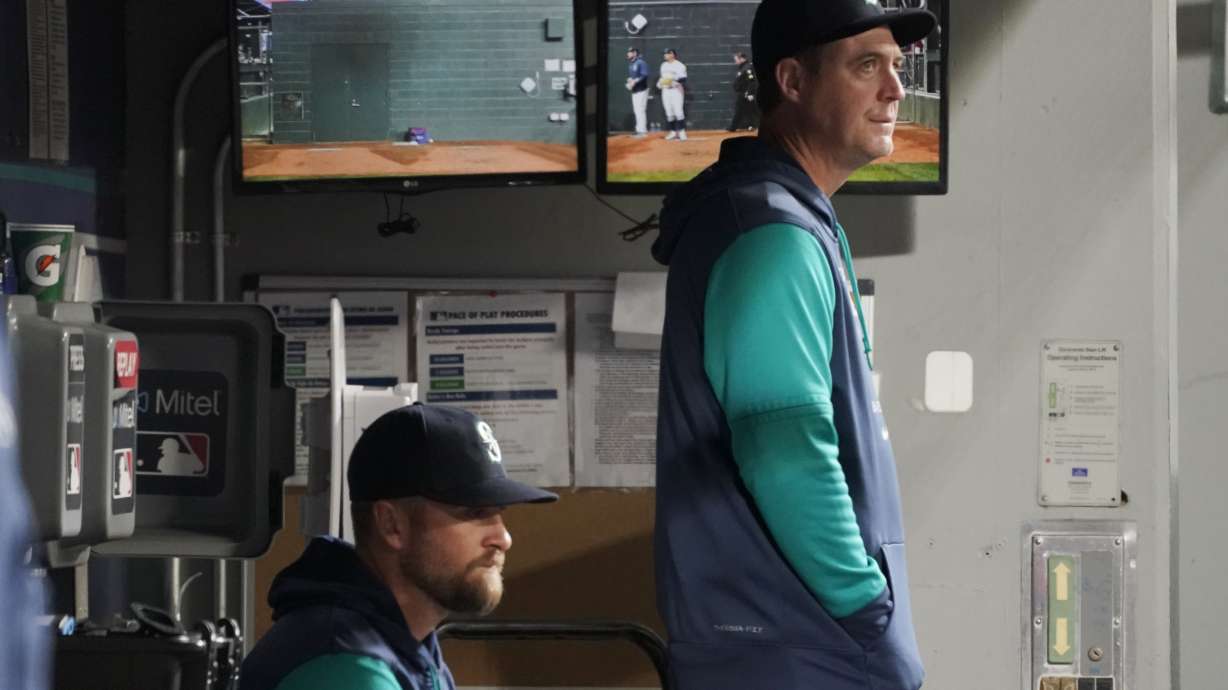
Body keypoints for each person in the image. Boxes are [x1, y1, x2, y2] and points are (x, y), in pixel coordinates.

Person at [651, 1, 936, 688]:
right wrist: (865, 612)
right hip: (798, 652)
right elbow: (785, 452)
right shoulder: (770, 234)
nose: (894, 90)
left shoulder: (781, 216)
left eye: (896, 68)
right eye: (866, 66)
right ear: (792, 81)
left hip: (784, 645)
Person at [240, 403, 558, 690]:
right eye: (475, 513)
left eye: (499, 514)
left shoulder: (409, 642)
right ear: (392, 525)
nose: (503, 538)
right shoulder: (345, 668)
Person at [657, 48, 687, 140]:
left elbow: (683, 79)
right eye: (665, 53)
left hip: (676, 90)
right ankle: (673, 132)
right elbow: (662, 77)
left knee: (678, 111)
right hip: (666, 91)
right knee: (669, 112)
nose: (665, 55)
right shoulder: (663, 65)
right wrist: (660, 83)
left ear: (672, 54)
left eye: (667, 53)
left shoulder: (679, 65)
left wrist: (672, 81)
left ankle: (682, 132)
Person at [727, 52, 759, 131]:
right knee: (747, 110)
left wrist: (750, 93)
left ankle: (733, 127)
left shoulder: (747, 68)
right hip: (743, 93)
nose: (735, 62)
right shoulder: (743, 68)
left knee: (741, 110)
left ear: (742, 59)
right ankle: (750, 125)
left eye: (736, 60)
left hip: (745, 93)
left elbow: (752, 81)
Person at [625, 46, 650, 136]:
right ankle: (639, 129)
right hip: (635, 90)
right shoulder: (631, 64)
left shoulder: (641, 63)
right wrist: (630, 80)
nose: (628, 53)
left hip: (642, 90)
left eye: (630, 52)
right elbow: (634, 77)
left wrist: (635, 81)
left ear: (635, 53)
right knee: (636, 110)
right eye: (628, 52)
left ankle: (642, 131)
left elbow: (644, 75)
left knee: (640, 110)